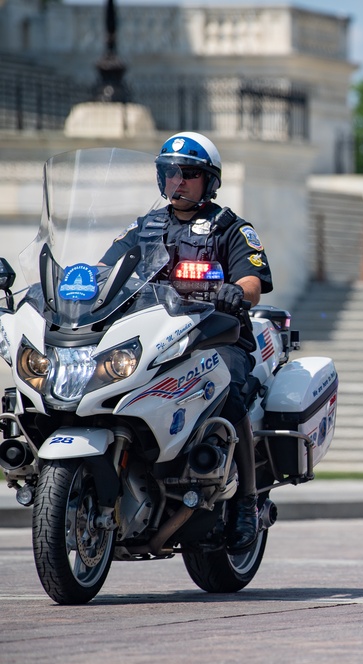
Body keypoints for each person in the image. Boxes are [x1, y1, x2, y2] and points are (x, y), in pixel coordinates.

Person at [101, 131, 273, 553]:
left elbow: (253, 280)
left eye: (189, 174)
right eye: (169, 173)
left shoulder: (230, 227)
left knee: (229, 391)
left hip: (215, 337)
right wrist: (79, 285)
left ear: (208, 180)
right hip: (153, 337)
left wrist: (237, 291)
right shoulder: (145, 228)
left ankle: (247, 502)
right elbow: (105, 270)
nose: (178, 181)